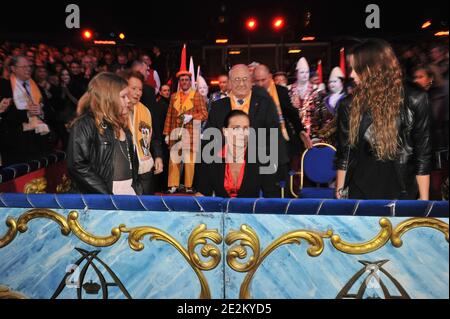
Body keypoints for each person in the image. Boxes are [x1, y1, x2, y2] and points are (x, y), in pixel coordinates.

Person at [335, 39, 432, 200]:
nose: (351, 74)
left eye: (356, 69)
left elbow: (423, 154)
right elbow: (344, 155)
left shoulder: (415, 99)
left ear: (373, 68)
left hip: (402, 192)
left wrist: (423, 202)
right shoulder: (349, 105)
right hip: (359, 194)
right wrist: (340, 195)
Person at [204, 64, 286, 193]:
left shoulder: (265, 104)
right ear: (230, 83)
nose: (241, 83)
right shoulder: (217, 107)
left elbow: (274, 137)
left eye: (245, 79)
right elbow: (209, 142)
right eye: (237, 79)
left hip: (260, 171)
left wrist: (277, 169)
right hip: (226, 174)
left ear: (251, 81)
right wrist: (203, 185)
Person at [67, 72, 141, 195]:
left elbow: (132, 165)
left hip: (127, 193)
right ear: (108, 97)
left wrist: (137, 189)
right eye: (123, 97)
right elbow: (78, 166)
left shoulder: (123, 126)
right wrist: (106, 195)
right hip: (100, 198)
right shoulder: (84, 124)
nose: (128, 101)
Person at [196, 110, 278, 197]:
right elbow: (202, 194)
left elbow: (271, 196)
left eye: (246, 128)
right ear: (225, 131)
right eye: (235, 128)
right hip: (220, 210)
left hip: (252, 210)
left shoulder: (263, 159)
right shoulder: (211, 158)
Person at [163, 53, 208, 194]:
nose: (184, 82)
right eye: (181, 80)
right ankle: (173, 184)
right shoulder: (174, 97)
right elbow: (169, 116)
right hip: (176, 131)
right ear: (179, 82)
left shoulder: (197, 96)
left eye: (186, 80)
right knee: (174, 159)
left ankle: (189, 186)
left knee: (189, 160)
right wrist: (166, 133)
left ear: (190, 81)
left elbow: (205, 114)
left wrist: (192, 117)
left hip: (191, 132)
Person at [0, 55, 56, 165]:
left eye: (29, 66)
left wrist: (42, 111)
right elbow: (4, 114)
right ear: (13, 69)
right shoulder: (4, 86)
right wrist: (27, 114)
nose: (28, 69)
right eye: (24, 67)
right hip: (17, 142)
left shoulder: (37, 87)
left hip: (39, 141)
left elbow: (50, 111)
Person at [124, 71, 163, 195]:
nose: (138, 92)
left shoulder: (146, 111)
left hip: (146, 169)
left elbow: (155, 137)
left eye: (140, 89)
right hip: (125, 171)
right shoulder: (116, 111)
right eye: (134, 88)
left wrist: (158, 156)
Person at [413, 64, 448, 199]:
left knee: (435, 187)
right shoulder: (417, 97)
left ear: (430, 79)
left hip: (436, 148)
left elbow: (436, 123)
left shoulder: (438, 97)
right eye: (415, 77)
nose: (416, 80)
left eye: (421, 77)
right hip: (422, 149)